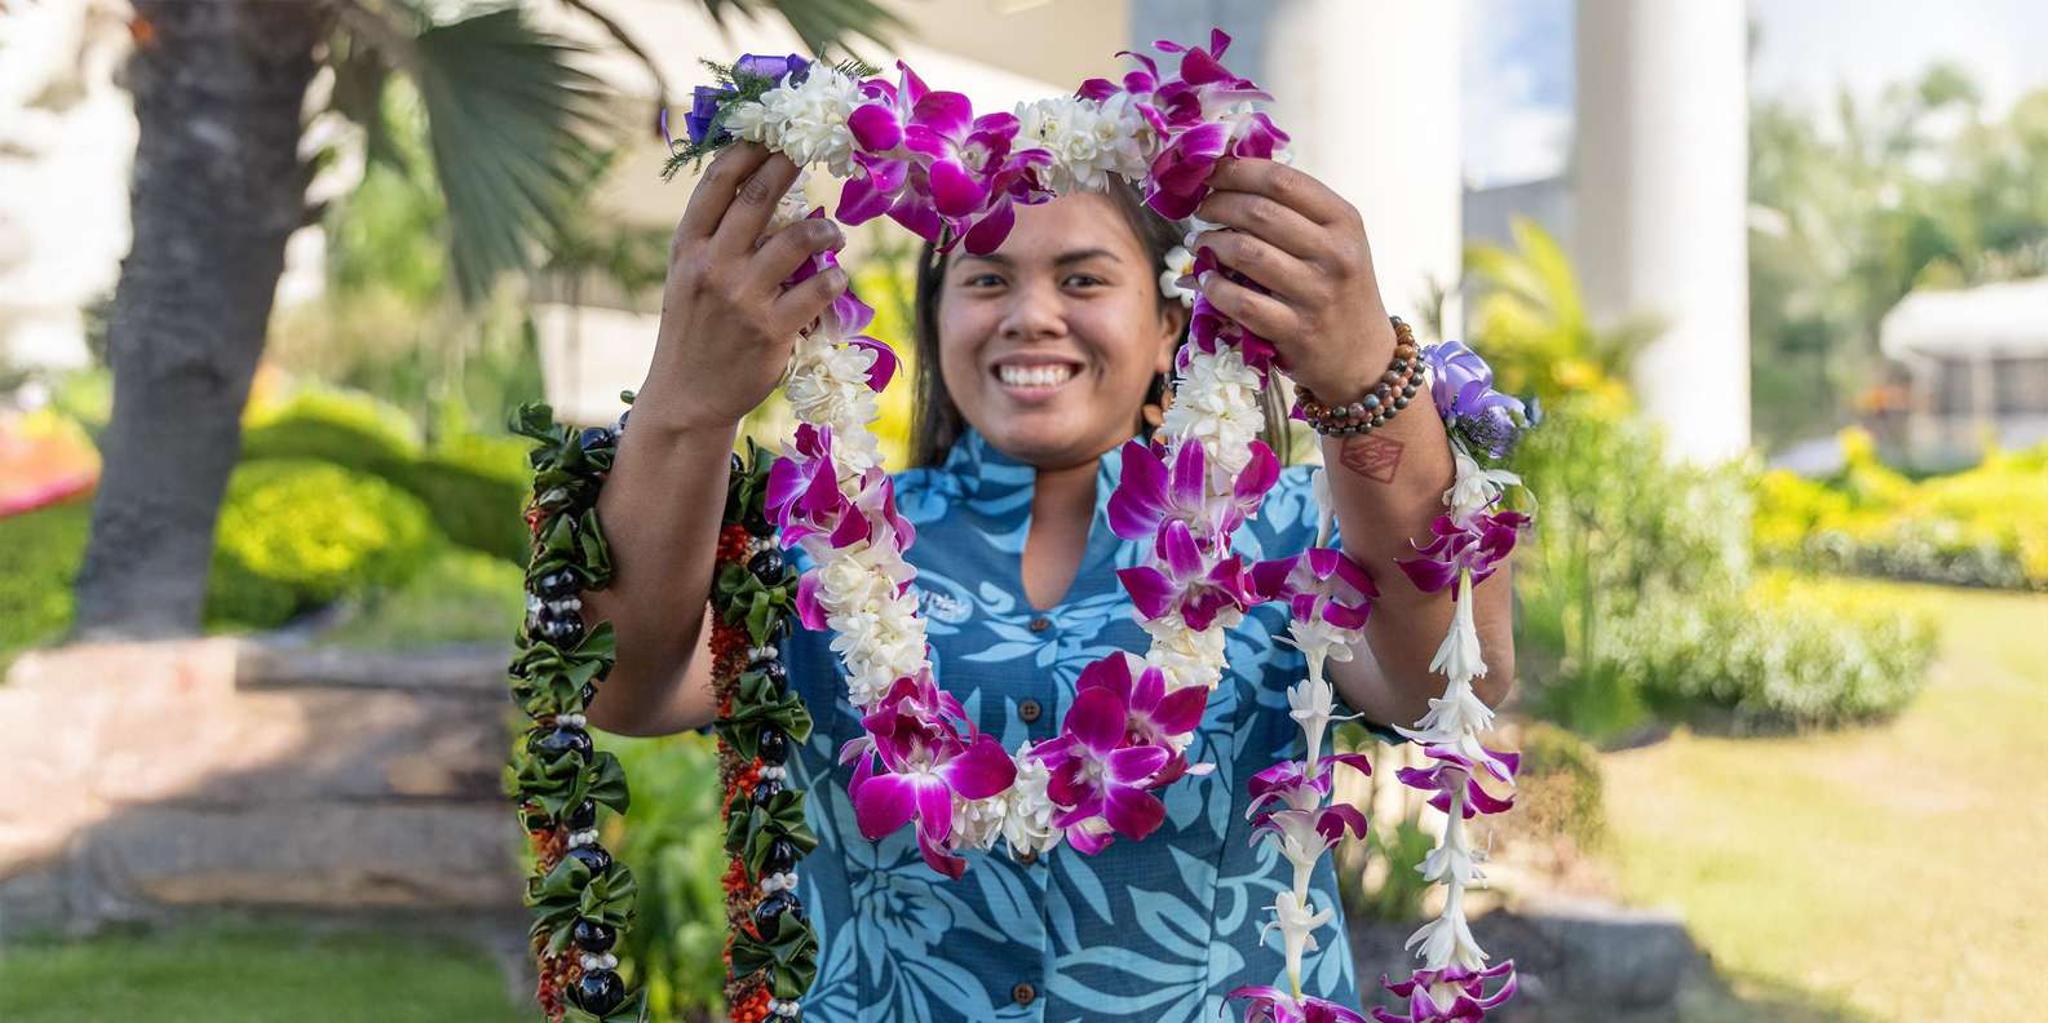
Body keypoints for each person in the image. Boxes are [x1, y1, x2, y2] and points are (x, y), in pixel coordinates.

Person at [582, 141, 1516, 1022]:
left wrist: (1364, 381)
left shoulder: (1285, 530)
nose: (1030, 313)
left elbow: (1446, 678)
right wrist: (688, 399)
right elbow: (630, 682)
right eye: (986, 278)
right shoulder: (816, 529)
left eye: (1082, 278)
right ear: (937, 319)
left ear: (1170, 327)